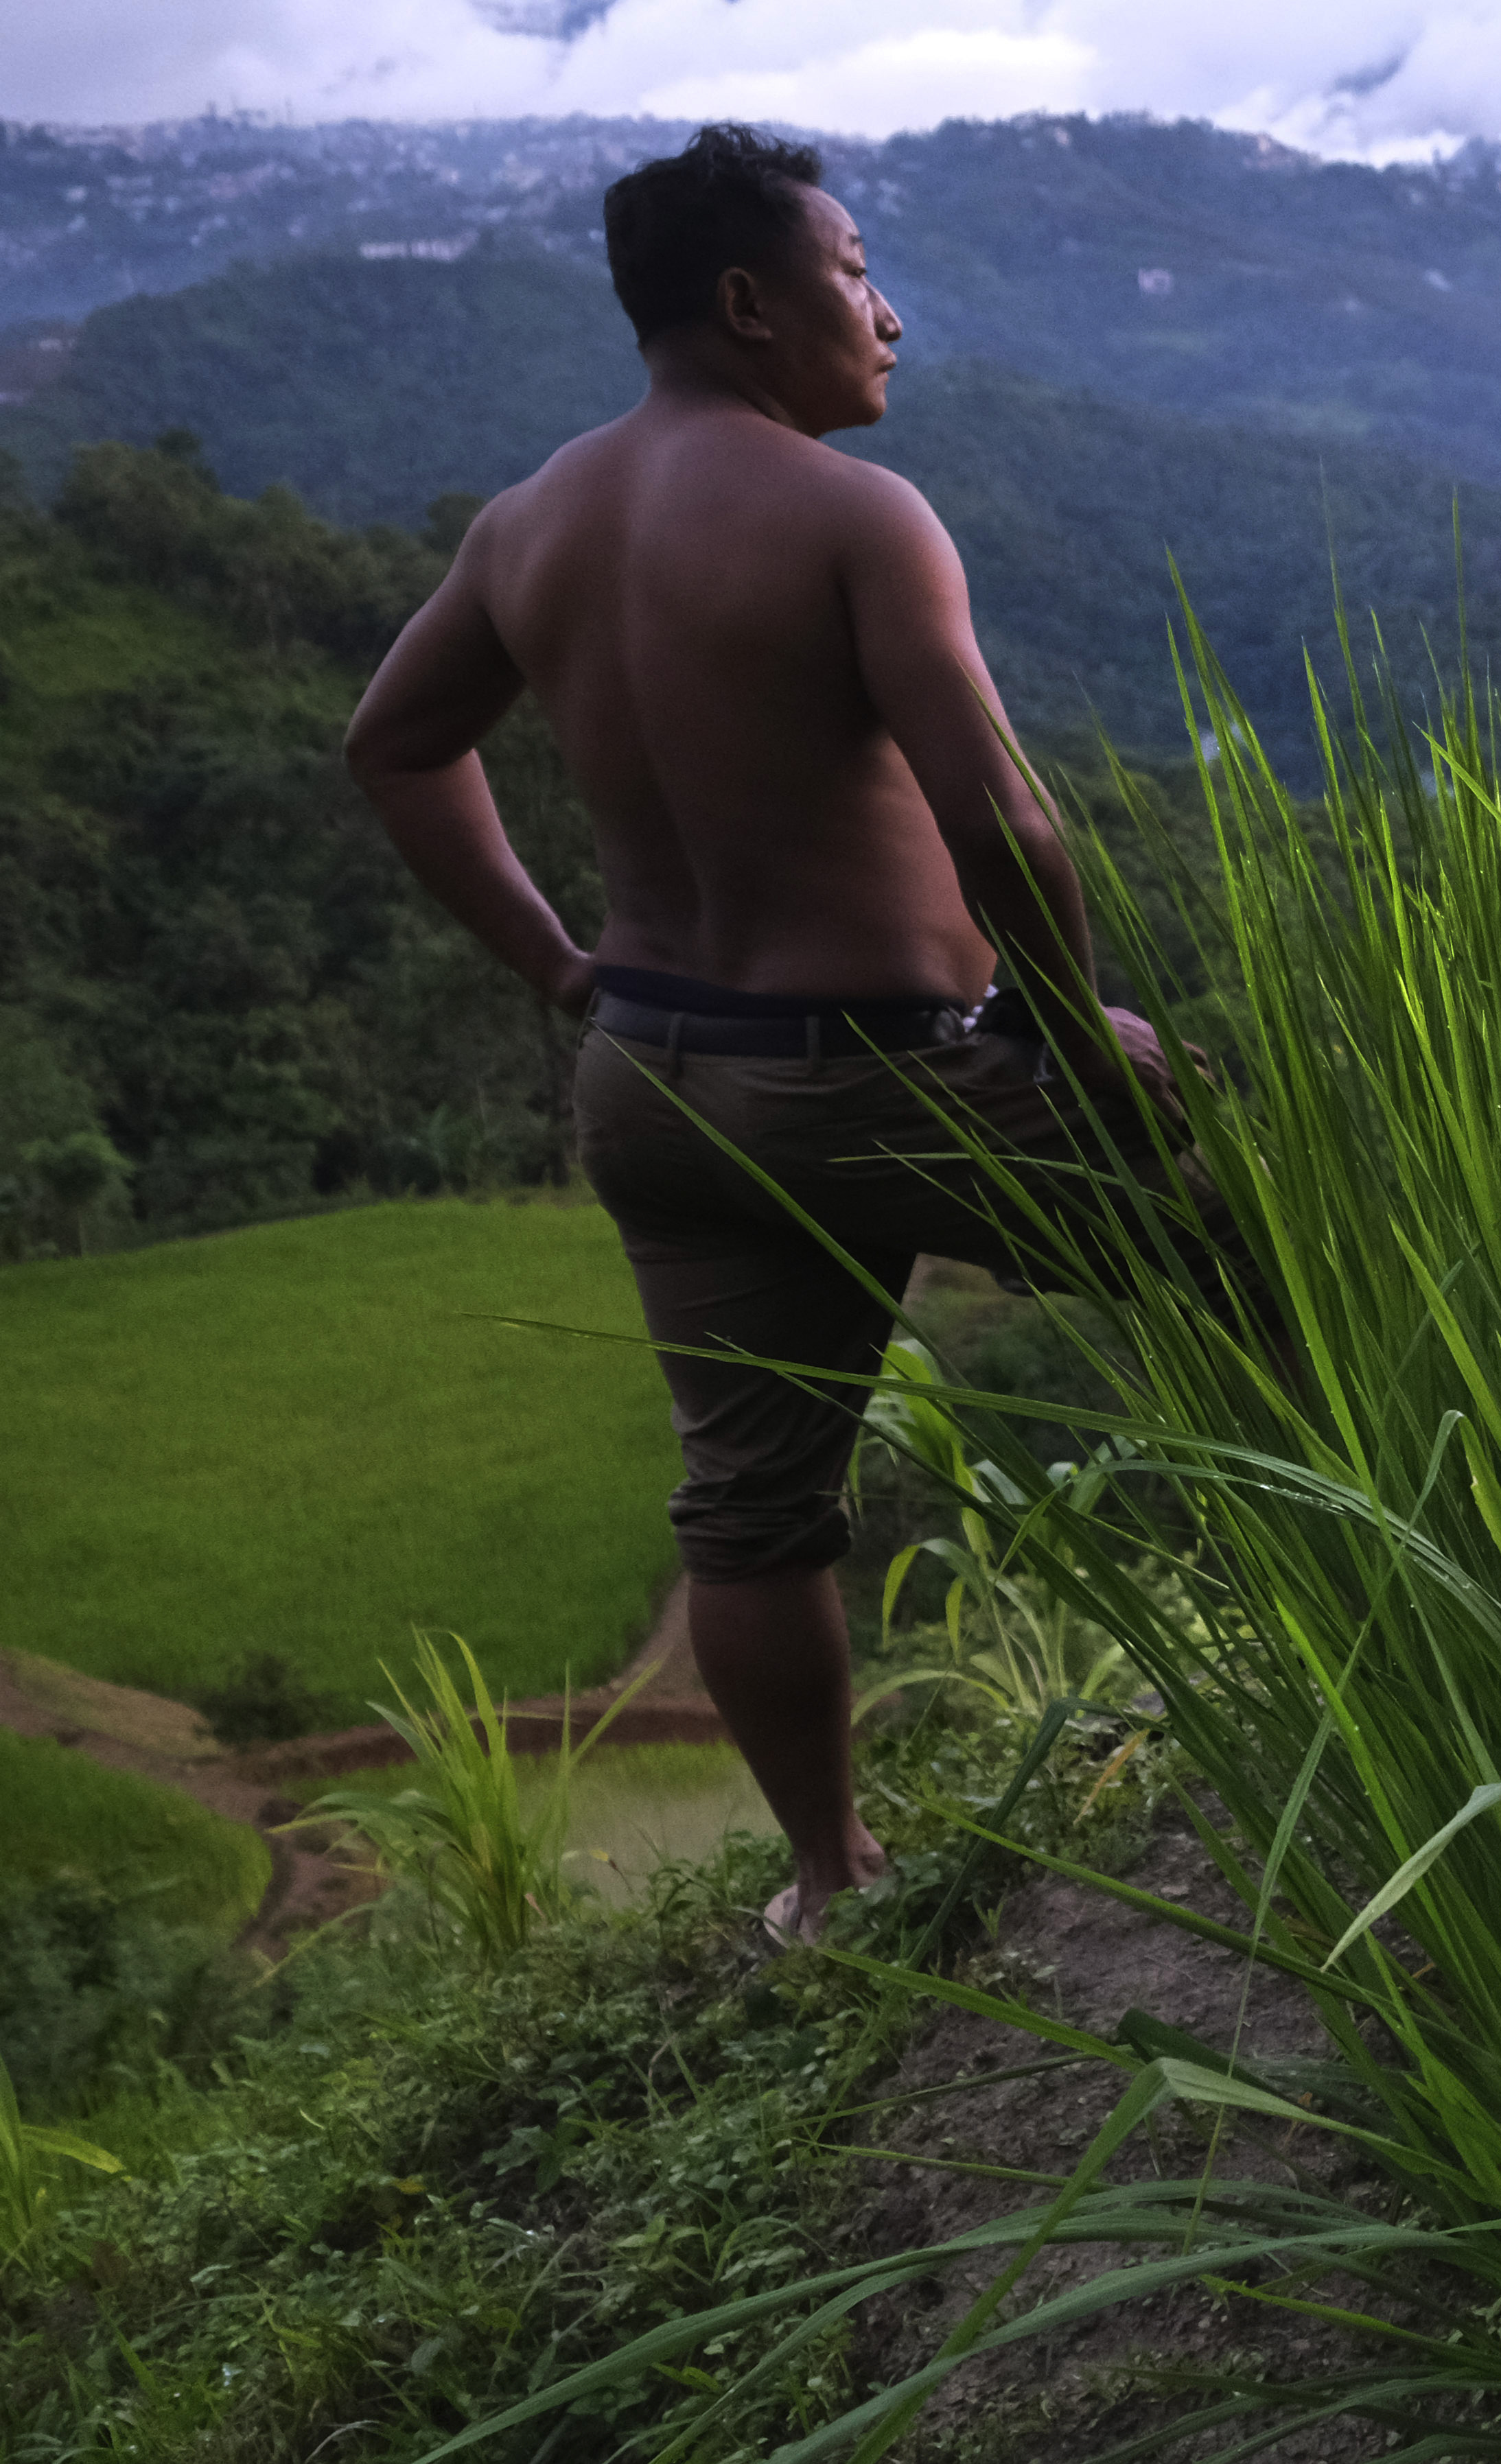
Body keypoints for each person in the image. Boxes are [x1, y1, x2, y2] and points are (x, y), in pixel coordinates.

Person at [344, 123, 1229, 1945]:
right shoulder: (853, 516)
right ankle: (1396, 1669)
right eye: (853, 277)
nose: (887, 316)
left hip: (656, 1075)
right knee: (1294, 1261)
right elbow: (1011, 824)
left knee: (751, 1509)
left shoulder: (533, 521)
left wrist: (559, 965)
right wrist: (1072, 1046)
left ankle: (831, 1886)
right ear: (752, 305)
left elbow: (395, 746)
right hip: (891, 1075)